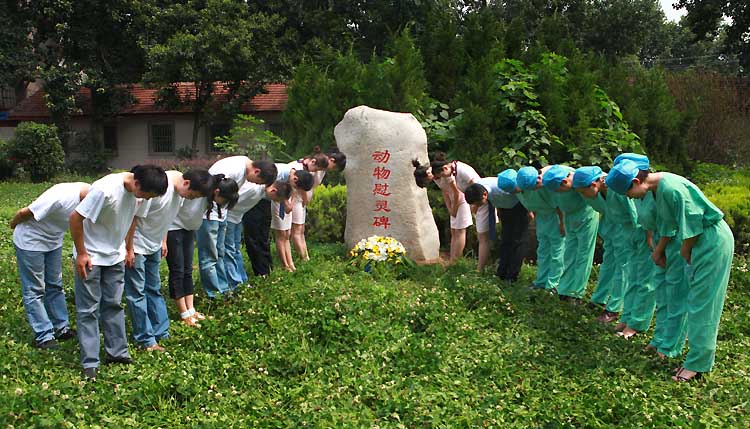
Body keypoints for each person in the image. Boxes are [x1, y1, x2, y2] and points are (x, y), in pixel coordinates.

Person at [609, 158, 734, 382]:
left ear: (637, 181)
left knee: (702, 304)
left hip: (710, 242)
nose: (630, 199)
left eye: (629, 194)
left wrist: (685, 254)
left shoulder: (672, 187)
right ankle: (677, 349)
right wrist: (659, 251)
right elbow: (668, 225)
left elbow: (692, 227)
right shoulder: (658, 190)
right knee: (691, 300)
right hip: (697, 243)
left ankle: (698, 365)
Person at [70, 165, 168, 380]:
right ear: (137, 183)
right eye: (147, 196)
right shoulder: (104, 189)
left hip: (115, 256)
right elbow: (75, 218)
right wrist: (81, 253)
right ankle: (90, 363)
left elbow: (132, 220)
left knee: (114, 305)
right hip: (92, 257)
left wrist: (129, 248)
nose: (147, 200)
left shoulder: (140, 196)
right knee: (89, 310)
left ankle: (117, 353)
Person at [124, 169, 212, 351]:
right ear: (186, 183)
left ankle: (161, 331)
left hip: (154, 245)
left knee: (153, 288)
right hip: (138, 246)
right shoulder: (159, 188)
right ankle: (146, 339)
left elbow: (167, 218)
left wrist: (163, 240)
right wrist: (129, 248)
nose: (191, 199)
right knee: (137, 292)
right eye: (193, 196)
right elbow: (132, 218)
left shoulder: (180, 193)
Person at [11, 182, 90, 349]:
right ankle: (43, 335)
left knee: (54, 285)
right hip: (30, 241)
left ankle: (61, 327)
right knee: (35, 289)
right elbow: (25, 212)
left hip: (53, 241)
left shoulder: (93, 196)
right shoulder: (60, 196)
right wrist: (13, 225)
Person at [572, 165, 639, 324]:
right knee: (608, 265)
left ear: (594, 185)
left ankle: (614, 308)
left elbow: (635, 214)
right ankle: (599, 299)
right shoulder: (599, 193)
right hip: (612, 231)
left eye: (583, 191)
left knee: (622, 269)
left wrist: (637, 237)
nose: (583, 196)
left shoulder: (618, 190)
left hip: (628, 232)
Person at [542, 165, 599, 303]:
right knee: (569, 252)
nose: (557, 193)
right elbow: (558, 205)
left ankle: (576, 292)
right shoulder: (553, 178)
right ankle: (564, 289)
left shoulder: (580, 180)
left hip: (586, 215)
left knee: (583, 254)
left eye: (558, 190)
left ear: (565, 183)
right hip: (569, 216)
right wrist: (562, 221)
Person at [225, 181, 292, 289]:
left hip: (236, 217)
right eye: (275, 199)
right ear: (273, 191)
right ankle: (233, 284)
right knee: (231, 249)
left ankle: (242, 280)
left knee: (236, 249)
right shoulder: (254, 191)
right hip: (229, 216)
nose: (273, 201)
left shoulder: (262, 192)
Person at [429, 153, 490, 270]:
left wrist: (474, 206)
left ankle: (478, 268)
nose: (442, 177)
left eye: (441, 174)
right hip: (472, 202)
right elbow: (447, 192)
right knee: (458, 232)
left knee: (480, 236)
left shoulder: (461, 170)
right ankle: (455, 260)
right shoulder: (453, 171)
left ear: (445, 168)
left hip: (477, 201)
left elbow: (477, 186)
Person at [465, 173, 529, 282]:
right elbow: (495, 201)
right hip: (505, 208)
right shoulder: (477, 188)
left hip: (519, 207)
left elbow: (521, 192)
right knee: (505, 240)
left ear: (485, 194)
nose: (478, 206)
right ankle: (502, 272)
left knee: (517, 241)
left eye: (479, 203)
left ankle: (512, 276)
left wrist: (529, 210)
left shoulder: (501, 188)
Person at [511, 166, 565, 291]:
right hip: (542, 218)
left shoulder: (547, 184)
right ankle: (541, 281)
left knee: (557, 252)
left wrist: (562, 223)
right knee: (543, 251)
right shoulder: (524, 186)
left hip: (554, 218)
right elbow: (529, 202)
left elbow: (558, 205)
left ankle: (553, 284)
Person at [413, 159, 472, 263]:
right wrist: (449, 208)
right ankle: (453, 258)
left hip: (461, 201)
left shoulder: (445, 174)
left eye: (426, 180)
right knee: (454, 231)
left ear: (428, 173)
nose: (429, 182)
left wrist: (454, 208)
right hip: (453, 202)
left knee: (460, 231)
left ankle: (456, 260)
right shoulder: (436, 177)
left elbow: (457, 193)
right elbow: (445, 192)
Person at [195, 176, 239, 301]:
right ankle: (213, 294)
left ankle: (224, 289)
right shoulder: (207, 195)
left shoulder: (225, 191)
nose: (225, 203)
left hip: (221, 219)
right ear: (216, 192)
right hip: (208, 221)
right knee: (209, 257)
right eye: (224, 200)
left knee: (220, 254)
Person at [289, 148, 331, 261]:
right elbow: (301, 187)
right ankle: (303, 259)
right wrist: (305, 199)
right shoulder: (297, 167)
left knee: (301, 230)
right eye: (316, 169)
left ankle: (306, 257)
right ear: (312, 161)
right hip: (296, 200)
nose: (315, 172)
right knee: (296, 231)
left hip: (301, 202)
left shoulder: (307, 167)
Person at [271, 162, 314, 272]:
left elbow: (292, 199)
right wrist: (292, 199)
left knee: (287, 234)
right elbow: (288, 207)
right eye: (297, 187)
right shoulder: (281, 178)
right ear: (295, 180)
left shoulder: (292, 178)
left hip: (285, 198)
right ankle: (285, 265)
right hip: (278, 200)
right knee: (281, 234)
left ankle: (291, 264)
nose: (297, 189)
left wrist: (293, 198)